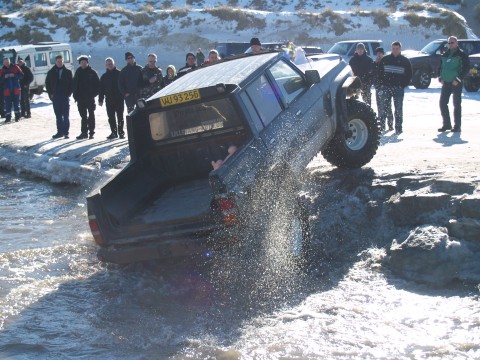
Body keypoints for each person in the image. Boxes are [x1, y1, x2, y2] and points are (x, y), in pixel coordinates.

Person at [378, 41, 412, 135]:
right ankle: (381, 126)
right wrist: (381, 84)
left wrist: (403, 85)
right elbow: (379, 73)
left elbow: (409, 75)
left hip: (398, 88)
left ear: (400, 49)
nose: (395, 50)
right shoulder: (385, 59)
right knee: (384, 108)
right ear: (391, 49)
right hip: (386, 87)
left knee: (398, 109)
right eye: (393, 48)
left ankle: (398, 128)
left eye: (397, 48)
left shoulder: (405, 61)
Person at [437, 36, 470, 133]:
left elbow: (466, 68)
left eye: (452, 42)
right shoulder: (445, 54)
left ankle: (457, 126)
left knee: (456, 104)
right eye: (449, 43)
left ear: (456, 43)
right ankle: (447, 124)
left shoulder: (461, 54)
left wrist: (458, 79)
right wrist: (440, 77)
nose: (451, 44)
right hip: (446, 82)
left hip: (456, 83)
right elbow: (440, 67)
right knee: (442, 103)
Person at [45, 54, 73, 139]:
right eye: (58, 61)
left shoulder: (68, 72)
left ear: (63, 61)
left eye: (61, 61)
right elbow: (47, 84)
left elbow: (71, 84)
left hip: (64, 96)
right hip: (56, 96)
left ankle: (66, 132)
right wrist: (51, 94)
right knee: (58, 116)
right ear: (55, 62)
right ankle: (59, 132)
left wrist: (69, 93)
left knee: (66, 116)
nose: (60, 63)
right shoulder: (51, 72)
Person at [72, 55, 100, 140]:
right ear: (79, 63)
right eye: (82, 62)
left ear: (87, 63)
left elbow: (98, 85)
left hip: (90, 98)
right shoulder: (78, 72)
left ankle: (91, 132)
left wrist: (93, 94)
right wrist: (75, 95)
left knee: (91, 114)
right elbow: (74, 84)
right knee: (83, 116)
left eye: (85, 62)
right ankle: (84, 132)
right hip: (80, 98)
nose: (83, 64)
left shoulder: (92, 72)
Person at [99, 57, 125, 140]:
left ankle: (121, 132)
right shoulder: (104, 76)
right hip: (109, 100)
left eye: (111, 64)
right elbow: (101, 89)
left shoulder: (120, 74)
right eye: (108, 64)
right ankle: (114, 132)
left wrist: (125, 95)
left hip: (119, 99)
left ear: (114, 64)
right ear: (106, 65)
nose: (110, 65)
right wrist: (100, 99)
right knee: (111, 117)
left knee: (120, 117)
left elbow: (124, 86)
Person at [372, 47, 393, 131]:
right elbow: (373, 75)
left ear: (383, 54)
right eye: (377, 53)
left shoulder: (387, 63)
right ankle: (382, 125)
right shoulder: (374, 64)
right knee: (380, 107)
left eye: (380, 53)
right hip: (378, 88)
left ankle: (390, 124)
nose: (379, 55)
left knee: (388, 107)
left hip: (387, 87)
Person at [0, 57, 23, 123]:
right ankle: (8, 118)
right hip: (7, 90)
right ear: (3, 63)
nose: (7, 63)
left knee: (16, 104)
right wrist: (4, 77)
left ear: (10, 61)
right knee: (7, 105)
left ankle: (17, 117)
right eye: (5, 62)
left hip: (16, 89)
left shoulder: (16, 67)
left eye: (8, 62)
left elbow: (21, 75)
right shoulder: (2, 70)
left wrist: (14, 75)